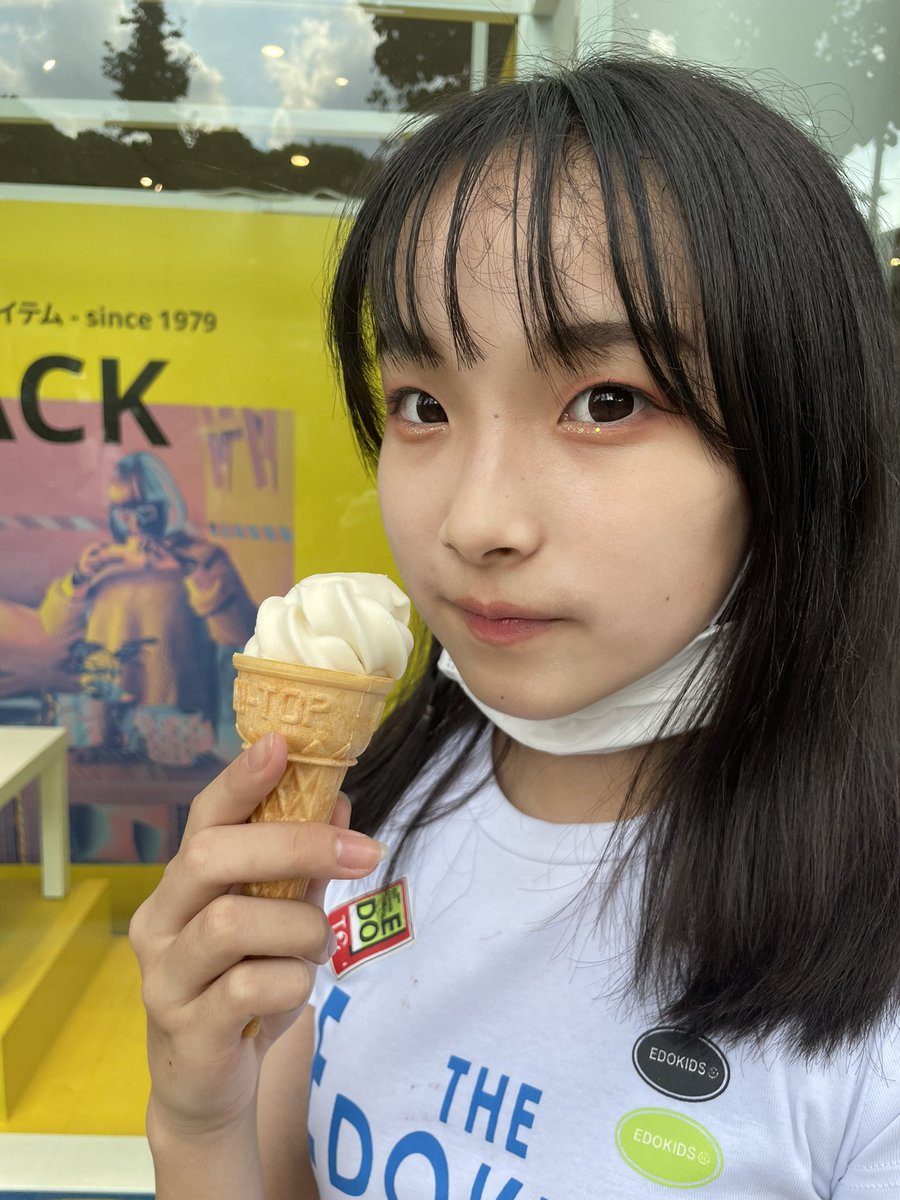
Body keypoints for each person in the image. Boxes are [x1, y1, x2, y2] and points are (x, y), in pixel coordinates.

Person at [129, 53, 900, 1198]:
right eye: (422, 405)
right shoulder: (368, 818)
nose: (475, 522)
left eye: (607, 402)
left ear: (804, 435)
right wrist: (199, 1119)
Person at [40, 451, 256, 724]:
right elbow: (53, 630)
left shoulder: (203, 557)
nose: (133, 522)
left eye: (143, 509)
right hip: (104, 717)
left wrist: (188, 572)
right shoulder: (104, 561)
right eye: (122, 510)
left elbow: (240, 633)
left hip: (176, 720)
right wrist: (79, 579)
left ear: (166, 504)